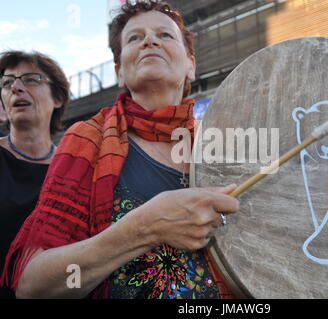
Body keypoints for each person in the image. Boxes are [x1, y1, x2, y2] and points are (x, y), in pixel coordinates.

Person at [1, 0, 239, 299]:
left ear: (191, 64)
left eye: (164, 35)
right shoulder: (86, 140)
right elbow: (33, 285)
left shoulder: (224, 150)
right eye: (134, 38)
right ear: (120, 73)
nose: (150, 40)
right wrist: (144, 228)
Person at [0, 51, 70, 298]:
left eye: (30, 79)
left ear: (58, 97)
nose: (16, 87)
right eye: (7, 83)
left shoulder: (74, 168)